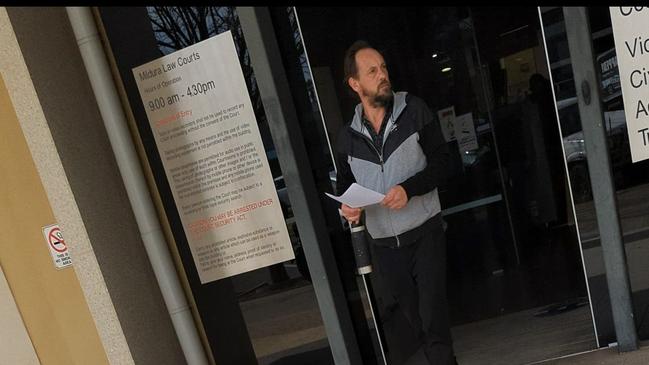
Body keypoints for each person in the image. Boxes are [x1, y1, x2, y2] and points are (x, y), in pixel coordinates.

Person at [335, 40, 456, 365]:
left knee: (433, 320)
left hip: (425, 233)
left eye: (384, 67)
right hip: (386, 248)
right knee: (415, 325)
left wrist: (409, 188)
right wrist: (348, 209)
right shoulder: (348, 137)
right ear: (355, 83)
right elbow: (346, 189)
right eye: (373, 71)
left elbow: (444, 162)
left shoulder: (413, 110)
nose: (382, 75)